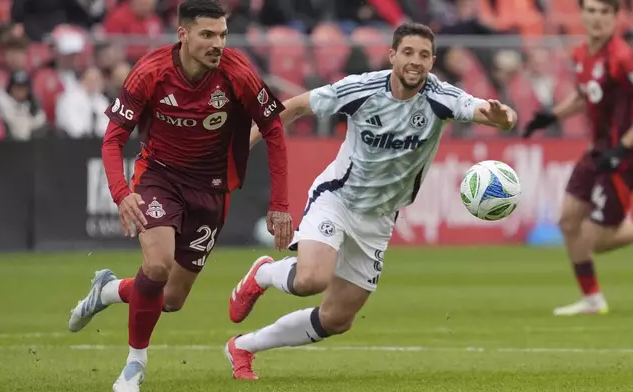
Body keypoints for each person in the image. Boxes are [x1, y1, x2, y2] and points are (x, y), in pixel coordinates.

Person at [224, 22, 517, 380]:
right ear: (393, 55)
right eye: (408, 52)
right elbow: (294, 107)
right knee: (311, 279)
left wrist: (505, 119)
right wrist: (240, 151)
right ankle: (265, 273)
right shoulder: (361, 88)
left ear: (432, 60)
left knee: (336, 319)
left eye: (424, 55)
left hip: (378, 219)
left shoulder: (441, 97)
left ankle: (243, 347)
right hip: (338, 198)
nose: (415, 62)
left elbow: (490, 112)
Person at [66, 1, 293, 390]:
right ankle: (134, 364)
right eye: (207, 34)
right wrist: (121, 193)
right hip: (160, 177)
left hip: (212, 189)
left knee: (170, 299)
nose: (217, 43)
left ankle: (106, 290)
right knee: (156, 267)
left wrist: (280, 205)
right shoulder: (151, 72)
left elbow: (273, 130)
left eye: (222, 34)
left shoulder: (237, 73)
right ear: (183, 34)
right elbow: (113, 138)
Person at [523, 0, 633, 316]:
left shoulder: (623, 57)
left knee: (597, 239)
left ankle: (593, 298)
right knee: (569, 219)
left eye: (604, 12)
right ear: (581, 14)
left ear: (616, 17)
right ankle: (592, 299)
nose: (597, 18)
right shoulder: (581, 54)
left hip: (623, 154)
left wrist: (622, 149)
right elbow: (585, 96)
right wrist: (550, 116)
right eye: (591, 11)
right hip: (598, 149)